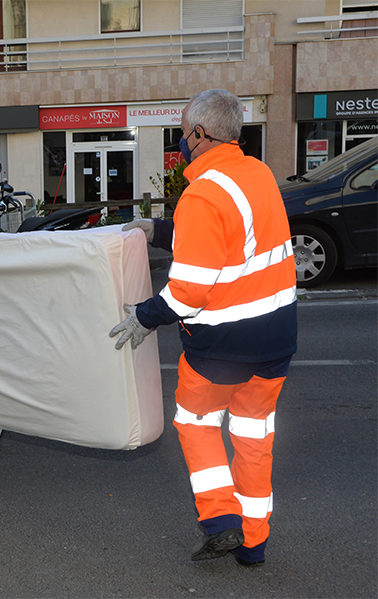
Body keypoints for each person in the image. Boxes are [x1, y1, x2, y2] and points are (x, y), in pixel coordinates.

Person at [109, 89, 297, 567]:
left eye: (183, 131)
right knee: (254, 440)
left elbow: (187, 291)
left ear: (197, 134)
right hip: (275, 344)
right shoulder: (258, 174)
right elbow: (227, 234)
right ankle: (253, 545)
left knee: (196, 423)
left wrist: (142, 317)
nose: (181, 140)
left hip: (219, 350)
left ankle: (219, 521)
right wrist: (159, 229)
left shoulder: (203, 192)